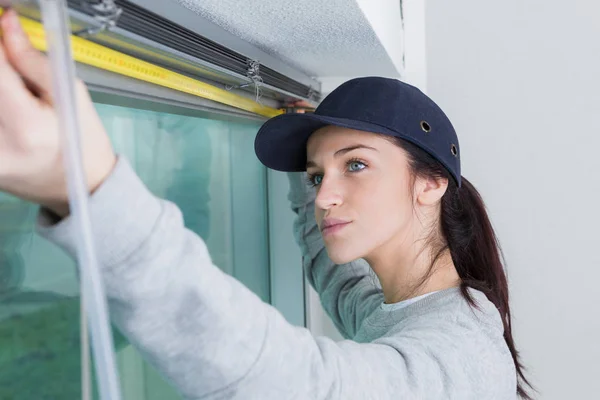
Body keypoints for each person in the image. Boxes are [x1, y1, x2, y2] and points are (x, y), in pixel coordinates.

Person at [0, 9, 532, 400]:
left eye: (356, 165)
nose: (324, 195)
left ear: (431, 183)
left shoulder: (459, 360)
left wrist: (94, 188)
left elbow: (294, 382)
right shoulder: (407, 306)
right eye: (316, 173)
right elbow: (338, 278)